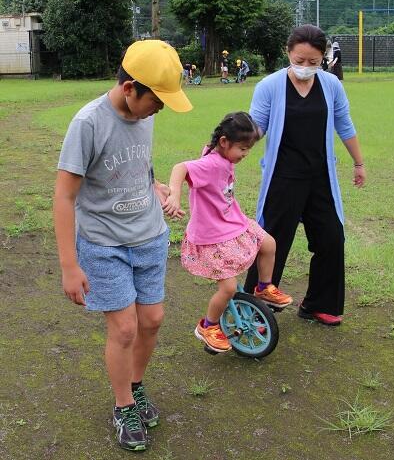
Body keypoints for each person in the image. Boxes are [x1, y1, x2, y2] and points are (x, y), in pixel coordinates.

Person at [53, 40, 192, 451]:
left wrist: (153, 184)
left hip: (150, 236)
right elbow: (64, 196)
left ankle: (135, 384)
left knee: (152, 320)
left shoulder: (143, 114)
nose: (159, 110)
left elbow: (137, 161)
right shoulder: (88, 123)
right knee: (125, 327)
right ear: (130, 88)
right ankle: (123, 405)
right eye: (156, 101)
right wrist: (69, 265)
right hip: (104, 244)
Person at [243, 24, 366, 326]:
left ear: (324, 57)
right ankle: (253, 307)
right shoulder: (270, 86)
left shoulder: (331, 85)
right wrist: (226, 148)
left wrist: (358, 163)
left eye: (314, 61)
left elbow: (344, 124)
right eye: (300, 60)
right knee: (272, 240)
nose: (306, 66)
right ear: (288, 53)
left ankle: (319, 305)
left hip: (321, 176)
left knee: (331, 238)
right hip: (283, 177)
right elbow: (255, 127)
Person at [163, 112, 293, 353]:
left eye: (248, 149)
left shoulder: (220, 155)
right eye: (242, 149)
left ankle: (264, 288)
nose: (245, 154)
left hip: (231, 222)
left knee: (268, 244)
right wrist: (175, 194)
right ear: (224, 142)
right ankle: (208, 326)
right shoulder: (211, 164)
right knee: (229, 288)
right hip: (212, 235)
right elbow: (180, 168)